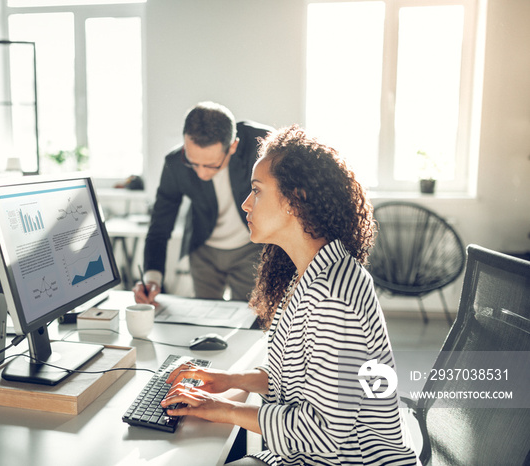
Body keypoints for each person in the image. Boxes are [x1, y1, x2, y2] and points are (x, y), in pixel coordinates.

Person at [161, 126, 418, 466]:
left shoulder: (334, 297)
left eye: (257, 191)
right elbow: (293, 381)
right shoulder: (309, 275)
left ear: (296, 201)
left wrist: (221, 409)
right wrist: (228, 380)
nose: (246, 203)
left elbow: (324, 433)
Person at [134, 102, 272, 304]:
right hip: (203, 249)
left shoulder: (262, 146)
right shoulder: (175, 164)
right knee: (203, 314)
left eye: (211, 165)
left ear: (233, 146)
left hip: (250, 248)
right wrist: (152, 278)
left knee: (247, 315)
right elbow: (160, 225)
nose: (201, 173)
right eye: (193, 162)